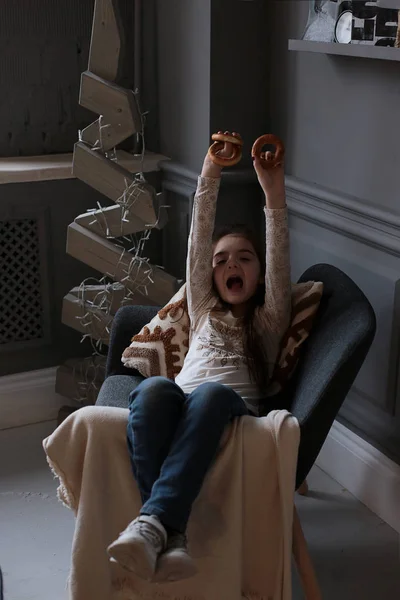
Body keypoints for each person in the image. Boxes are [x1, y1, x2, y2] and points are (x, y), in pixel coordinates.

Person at [107, 131, 292, 584]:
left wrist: (272, 189)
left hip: (230, 409)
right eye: (223, 260)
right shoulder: (204, 308)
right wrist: (210, 169)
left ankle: (155, 523)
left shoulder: (268, 321)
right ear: (209, 275)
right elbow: (198, 240)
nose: (232, 265)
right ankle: (167, 534)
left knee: (209, 395)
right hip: (182, 400)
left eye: (245, 259)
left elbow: (278, 249)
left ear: (259, 272)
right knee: (151, 390)